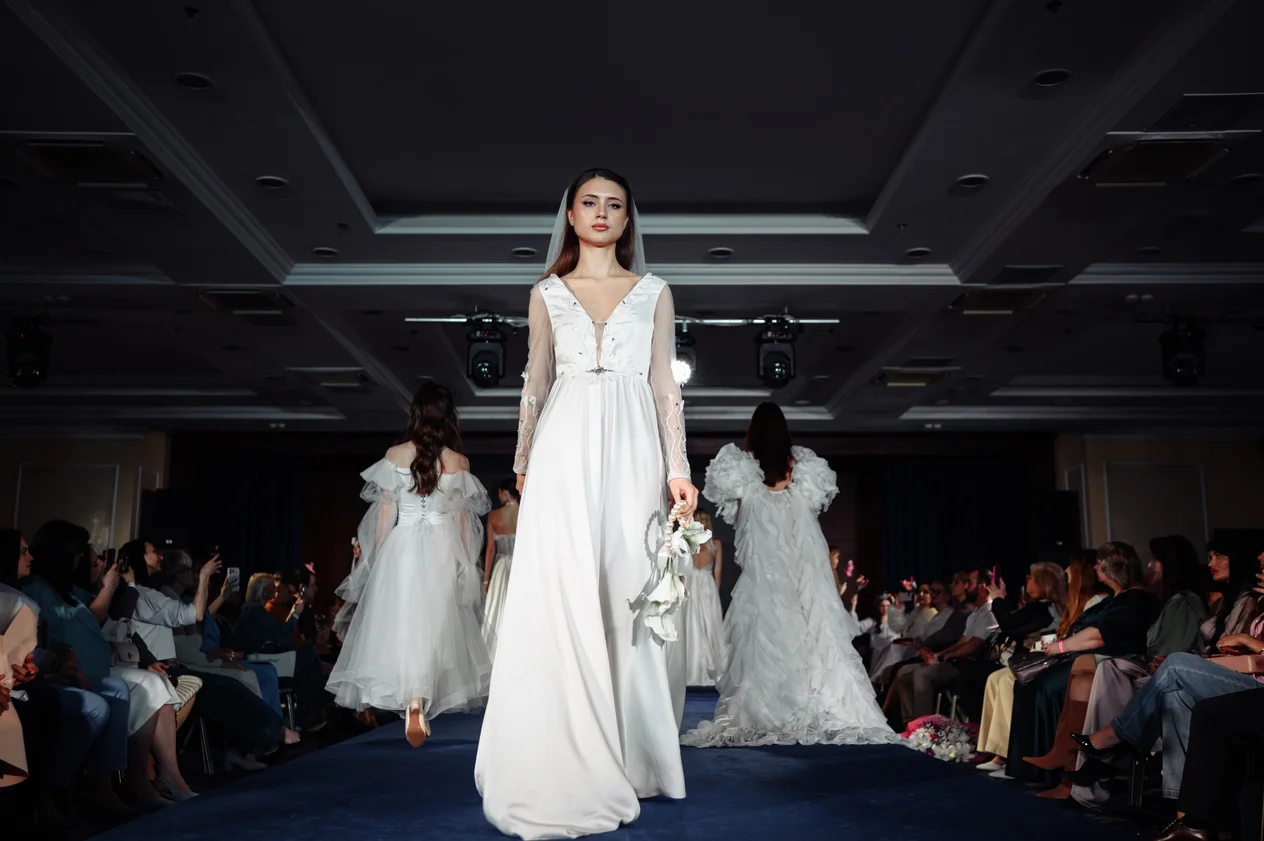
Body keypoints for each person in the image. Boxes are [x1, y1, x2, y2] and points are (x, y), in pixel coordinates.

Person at [475, 168, 699, 840]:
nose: (602, 213)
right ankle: (563, 754)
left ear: (627, 220)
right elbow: (535, 382)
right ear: (570, 215)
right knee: (563, 591)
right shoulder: (546, 293)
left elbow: (665, 386)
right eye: (590, 203)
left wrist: (679, 469)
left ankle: (633, 757)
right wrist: (523, 462)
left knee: (627, 590)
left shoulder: (655, 291)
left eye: (615, 205)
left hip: (634, 447)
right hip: (562, 447)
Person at [681, 402, 898, 748]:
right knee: (813, 638)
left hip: (766, 574)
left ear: (753, 432)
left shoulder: (743, 471)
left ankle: (772, 710)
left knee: (767, 639)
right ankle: (816, 704)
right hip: (803, 572)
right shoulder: (802, 471)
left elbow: (744, 525)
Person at [327, 381, 492, 746]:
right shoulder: (457, 462)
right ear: (449, 417)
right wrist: (466, 564)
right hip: (441, 546)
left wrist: (374, 558)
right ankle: (421, 699)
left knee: (403, 625)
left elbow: (385, 515)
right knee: (434, 628)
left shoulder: (395, 455)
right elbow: (463, 523)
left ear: (415, 415)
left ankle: (413, 700)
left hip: (401, 547)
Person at [666, 510, 726, 692]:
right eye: (698, 521)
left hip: (704, 587)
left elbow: (716, 573)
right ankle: (692, 670)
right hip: (694, 586)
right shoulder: (690, 543)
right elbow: (683, 571)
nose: (701, 524)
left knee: (706, 626)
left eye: (703, 520)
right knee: (692, 625)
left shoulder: (713, 544)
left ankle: (703, 670)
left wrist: (714, 594)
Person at [481, 478, 519, 664]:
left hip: (502, 568)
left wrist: (486, 579)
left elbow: (490, 549)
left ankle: (499, 653)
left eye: (499, 492)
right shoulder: (526, 512)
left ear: (505, 492)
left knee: (499, 608)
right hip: (522, 567)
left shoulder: (494, 516)